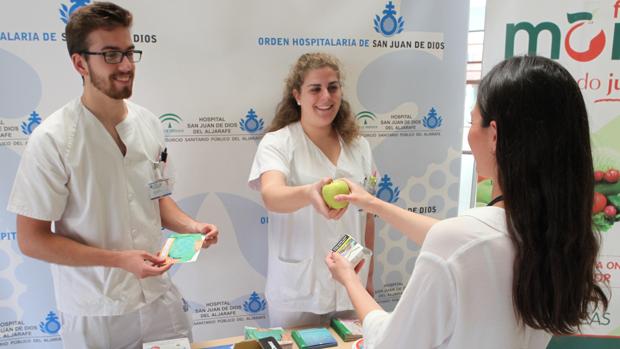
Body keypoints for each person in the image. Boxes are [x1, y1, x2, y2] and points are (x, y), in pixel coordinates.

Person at [326, 55, 609, 348]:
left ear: (495, 135)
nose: (469, 134)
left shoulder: (461, 242)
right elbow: (467, 242)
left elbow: (389, 344)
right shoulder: (558, 236)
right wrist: (373, 203)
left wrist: (350, 281)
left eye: (472, 121)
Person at [7, 2, 219, 348]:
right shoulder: (53, 139)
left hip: (159, 300)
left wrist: (191, 227)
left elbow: (157, 197)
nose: (125, 65)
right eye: (109, 55)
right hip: (96, 313)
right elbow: (32, 239)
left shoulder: (149, 124)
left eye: (128, 52)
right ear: (80, 63)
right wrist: (120, 261)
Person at [248, 52, 376, 328]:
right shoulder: (278, 143)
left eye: (333, 87)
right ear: (297, 95)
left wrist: (370, 278)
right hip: (297, 290)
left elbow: (367, 214)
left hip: (351, 284)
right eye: (315, 89)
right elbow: (271, 195)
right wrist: (308, 193)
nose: (326, 97)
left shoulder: (359, 146)